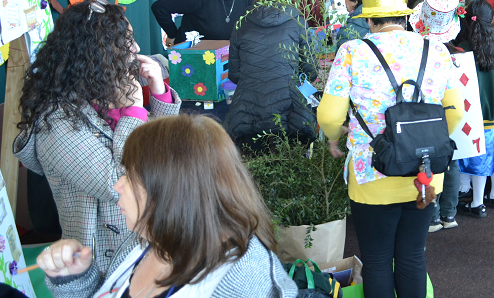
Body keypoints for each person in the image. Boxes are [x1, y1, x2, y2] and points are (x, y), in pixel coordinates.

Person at [318, 0, 463, 297]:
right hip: (425, 176)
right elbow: (454, 115)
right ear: (406, 17)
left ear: (369, 19)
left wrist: (334, 137)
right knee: (413, 255)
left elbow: (328, 116)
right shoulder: (437, 50)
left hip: (372, 174)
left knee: (378, 259)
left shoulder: (352, 52)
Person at [35, 116, 300, 298]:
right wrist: (74, 279)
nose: (118, 186)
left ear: (171, 191)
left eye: (129, 175)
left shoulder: (244, 284)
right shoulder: (147, 240)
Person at [14, 0, 181, 275]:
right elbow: (118, 183)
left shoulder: (108, 93)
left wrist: (159, 94)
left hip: (147, 240)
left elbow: (162, 157)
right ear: (95, 52)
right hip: (105, 261)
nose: (135, 49)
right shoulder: (55, 121)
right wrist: (134, 112)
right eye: (125, 41)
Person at [223, 0, 317, 151]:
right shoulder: (298, 22)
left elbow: (234, 74)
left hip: (246, 109)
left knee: (250, 166)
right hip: (289, 113)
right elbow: (310, 71)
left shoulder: (242, 22)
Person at [407, 0, 464, 234]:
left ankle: (431, 217)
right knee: (450, 165)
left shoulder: (411, 50)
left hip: (418, 120)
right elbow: (458, 109)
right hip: (444, 121)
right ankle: (449, 214)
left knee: (423, 167)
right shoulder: (449, 56)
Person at [457, 0, 494, 217]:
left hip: (477, 117)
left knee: (478, 158)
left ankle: (477, 202)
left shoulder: (464, 49)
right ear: (493, 21)